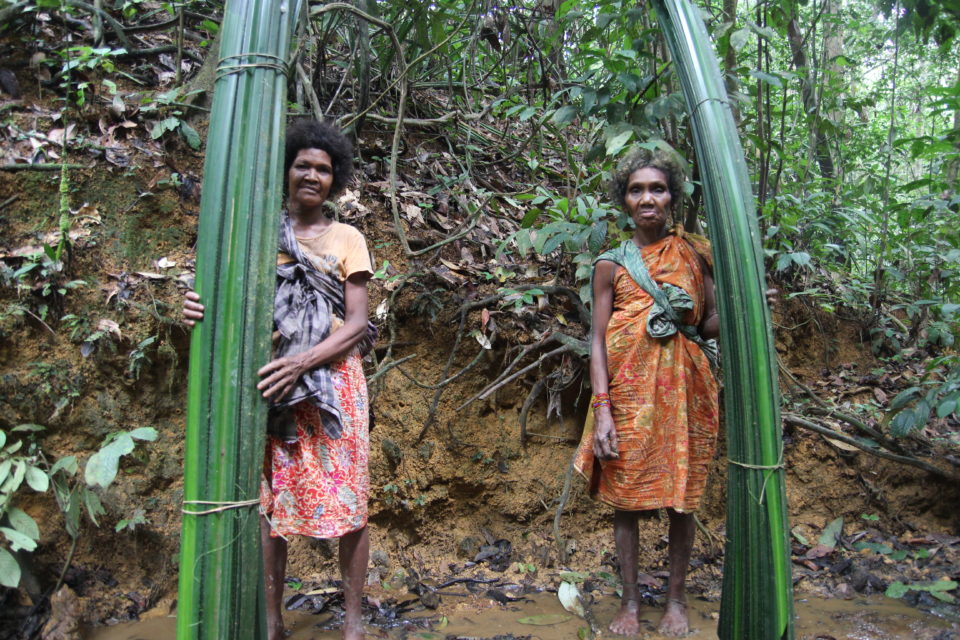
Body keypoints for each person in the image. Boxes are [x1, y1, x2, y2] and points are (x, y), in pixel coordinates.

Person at [183, 119, 374, 640]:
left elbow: (356, 323)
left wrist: (304, 361)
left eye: (324, 169)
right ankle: (271, 623)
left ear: (335, 180)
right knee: (273, 504)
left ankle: (353, 623)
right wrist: (198, 306)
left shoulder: (347, 238)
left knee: (352, 501)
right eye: (303, 165)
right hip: (275, 387)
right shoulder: (258, 235)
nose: (312, 176)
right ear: (286, 171)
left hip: (334, 386)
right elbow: (230, 301)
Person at [574, 147, 719, 637]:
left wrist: (747, 307)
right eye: (637, 190)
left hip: (685, 394)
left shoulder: (696, 254)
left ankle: (677, 602)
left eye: (657, 188)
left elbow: (711, 322)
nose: (647, 198)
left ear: (673, 197)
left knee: (682, 500)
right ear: (625, 201)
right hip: (627, 397)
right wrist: (603, 411)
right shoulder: (610, 264)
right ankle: (630, 604)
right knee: (627, 500)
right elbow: (595, 340)